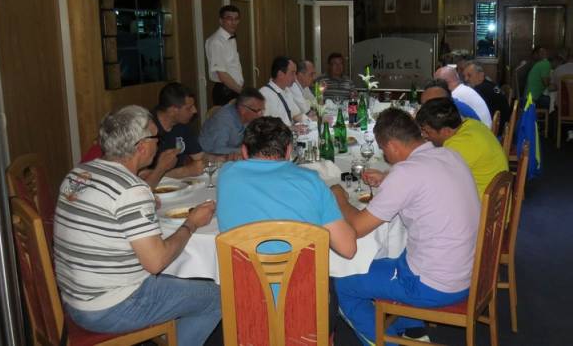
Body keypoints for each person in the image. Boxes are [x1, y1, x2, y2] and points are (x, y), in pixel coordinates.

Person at [54, 105, 220, 346]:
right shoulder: (131, 190)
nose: (158, 143)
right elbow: (156, 262)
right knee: (216, 297)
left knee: (186, 285)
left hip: (73, 298)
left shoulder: (79, 173)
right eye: (155, 138)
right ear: (141, 147)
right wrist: (191, 223)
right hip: (111, 306)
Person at [332, 108, 480, 345]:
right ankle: (413, 330)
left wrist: (339, 198)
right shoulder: (450, 155)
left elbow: (356, 228)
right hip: (469, 273)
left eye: (383, 149)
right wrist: (387, 178)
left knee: (343, 284)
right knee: (392, 252)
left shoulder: (406, 174)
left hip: (434, 285)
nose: (384, 154)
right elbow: (426, 183)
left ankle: (391, 341)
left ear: (391, 146)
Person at [216, 116, 356, 256]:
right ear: (289, 151)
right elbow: (348, 249)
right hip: (301, 270)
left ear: (244, 151)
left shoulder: (226, 174)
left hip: (242, 270)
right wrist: (338, 197)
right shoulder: (310, 181)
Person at [416, 98, 508, 196]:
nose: (424, 135)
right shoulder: (472, 123)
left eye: (426, 132)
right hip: (495, 199)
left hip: (481, 203)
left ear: (446, 131)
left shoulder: (457, 146)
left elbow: (430, 178)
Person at [146, 83, 204, 186]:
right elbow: (140, 177)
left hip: (178, 187)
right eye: (189, 108)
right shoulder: (145, 128)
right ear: (173, 111)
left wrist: (222, 158)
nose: (195, 111)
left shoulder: (182, 125)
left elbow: (200, 158)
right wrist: (184, 172)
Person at [198, 87, 266, 159]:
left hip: (230, 158)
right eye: (257, 111)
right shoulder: (223, 120)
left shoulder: (247, 119)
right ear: (243, 109)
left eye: (262, 110)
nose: (260, 115)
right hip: (208, 160)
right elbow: (217, 150)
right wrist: (245, 150)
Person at [205, 5, 244, 105]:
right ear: (221, 21)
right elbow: (222, 74)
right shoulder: (216, 41)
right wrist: (242, 92)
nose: (233, 22)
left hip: (234, 89)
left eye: (236, 19)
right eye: (229, 19)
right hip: (225, 92)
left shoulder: (231, 38)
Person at [462, 61, 511, 134]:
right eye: (464, 76)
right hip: (504, 127)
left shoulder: (480, 91)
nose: (466, 79)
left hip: (494, 132)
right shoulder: (491, 84)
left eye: (469, 75)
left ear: (481, 75)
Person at [259, 56, 304, 127]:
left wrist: (312, 121)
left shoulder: (286, 90)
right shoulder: (264, 94)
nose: (295, 78)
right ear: (280, 74)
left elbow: (296, 115)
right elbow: (265, 127)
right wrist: (291, 128)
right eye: (292, 73)